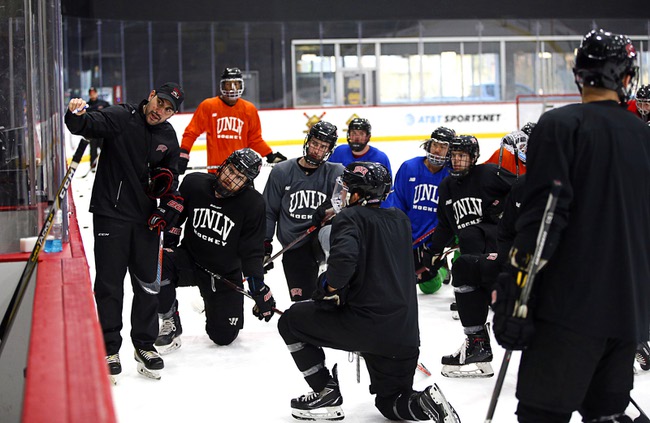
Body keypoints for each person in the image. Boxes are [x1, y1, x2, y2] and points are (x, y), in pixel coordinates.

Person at [491, 29, 650, 422]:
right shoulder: (643, 136)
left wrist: (516, 293)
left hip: (568, 313)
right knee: (605, 414)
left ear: (579, 74)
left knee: (541, 414)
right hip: (628, 315)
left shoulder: (560, 126)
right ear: (626, 77)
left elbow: (544, 220)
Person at [277, 162, 459, 422]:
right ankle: (425, 402)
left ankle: (324, 391)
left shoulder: (350, 217)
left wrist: (327, 288)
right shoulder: (400, 219)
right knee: (392, 402)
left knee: (290, 320)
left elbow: (342, 267)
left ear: (358, 194)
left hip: (366, 325)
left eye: (347, 188)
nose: (342, 193)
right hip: (404, 337)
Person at [65, 82, 185, 381]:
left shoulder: (168, 135)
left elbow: (173, 184)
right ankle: (109, 347)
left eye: (169, 110)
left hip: (146, 222)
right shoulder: (121, 116)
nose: (162, 112)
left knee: (147, 286)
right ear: (152, 96)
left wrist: (164, 210)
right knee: (109, 285)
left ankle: (144, 345)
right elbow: (87, 124)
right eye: (161, 103)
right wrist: (76, 115)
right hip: (112, 216)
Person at [155, 148, 276, 354]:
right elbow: (177, 220)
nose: (231, 179)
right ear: (223, 165)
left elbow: (251, 252)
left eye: (239, 177)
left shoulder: (253, 204)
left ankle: (211, 304)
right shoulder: (194, 183)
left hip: (224, 274)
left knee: (223, 337)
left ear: (246, 184)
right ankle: (170, 319)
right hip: (191, 260)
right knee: (156, 262)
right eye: (230, 170)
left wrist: (259, 288)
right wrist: (170, 246)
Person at [423, 134, 515, 378]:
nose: (457, 161)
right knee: (463, 265)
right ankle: (477, 344)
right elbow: (444, 225)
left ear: (474, 158)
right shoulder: (446, 187)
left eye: (462, 156)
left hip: (503, 252)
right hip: (474, 258)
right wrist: (432, 253)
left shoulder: (490, 174)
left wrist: (506, 208)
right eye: (453, 156)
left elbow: (523, 191)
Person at [263, 120, 344, 302]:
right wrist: (264, 244)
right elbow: (268, 211)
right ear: (308, 141)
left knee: (332, 232)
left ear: (329, 150)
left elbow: (348, 208)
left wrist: (333, 208)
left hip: (322, 241)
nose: (316, 150)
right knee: (305, 303)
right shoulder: (282, 172)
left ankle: (335, 271)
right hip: (294, 245)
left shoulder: (337, 172)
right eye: (315, 143)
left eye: (323, 146)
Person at [383, 126, 455, 295]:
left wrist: (438, 243)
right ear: (428, 145)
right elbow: (398, 202)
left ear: (449, 150)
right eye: (435, 144)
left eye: (443, 146)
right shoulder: (409, 167)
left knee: (429, 286)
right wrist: (401, 232)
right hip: (409, 235)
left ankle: (445, 268)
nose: (437, 150)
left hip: (436, 239)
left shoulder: (451, 175)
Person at [179, 67, 286, 174]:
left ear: (242, 85)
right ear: (222, 86)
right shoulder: (208, 106)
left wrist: (270, 155)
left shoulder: (249, 109)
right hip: (217, 171)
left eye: (236, 84)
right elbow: (191, 132)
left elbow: (254, 139)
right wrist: (184, 153)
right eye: (228, 84)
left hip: (242, 171)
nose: (233, 88)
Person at [328, 117, 392, 175]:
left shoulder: (380, 158)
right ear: (349, 134)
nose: (357, 137)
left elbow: (387, 185)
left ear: (368, 136)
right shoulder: (338, 152)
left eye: (361, 134)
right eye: (354, 133)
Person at [86, 87, 110, 170]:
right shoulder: (87, 106)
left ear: (96, 93)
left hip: (103, 131)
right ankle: (92, 166)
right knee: (93, 149)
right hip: (93, 132)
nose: (92, 95)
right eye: (91, 93)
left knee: (105, 148)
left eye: (94, 93)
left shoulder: (104, 104)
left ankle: (108, 165)